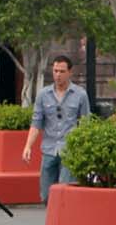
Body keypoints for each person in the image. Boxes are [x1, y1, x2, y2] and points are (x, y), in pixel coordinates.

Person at [32, 55, 90, 198]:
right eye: (55, 71)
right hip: (49, 149)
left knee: (65, 192)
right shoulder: (43, 94)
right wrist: (28, 146)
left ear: (70, 72)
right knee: (46, 194)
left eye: (62, 71)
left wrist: (83, 149)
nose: (58, 75)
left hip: (69, 150)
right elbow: (36, 123)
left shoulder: (80, 94)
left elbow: (85, 123)